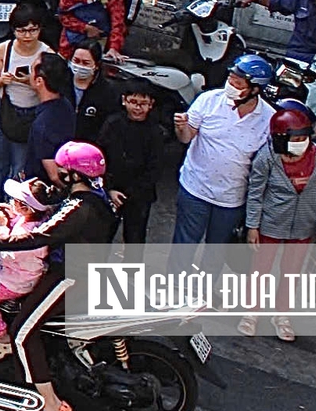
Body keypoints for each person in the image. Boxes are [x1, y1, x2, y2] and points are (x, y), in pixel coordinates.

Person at [0, 140, 115, 411]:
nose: (57, 173)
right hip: (84, 267)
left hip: (71, 276)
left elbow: (37, 236)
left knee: (21, 333)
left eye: (63, 170)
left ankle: (49, 403)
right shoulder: (95, 195)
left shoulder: (79, 208)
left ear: (75, 175)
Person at [170, 54, 276, 270]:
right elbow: (186, 137)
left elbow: (266, 165)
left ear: (255, 89)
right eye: (230, 80)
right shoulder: (209, 100)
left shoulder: (269, 119)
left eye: (238, 83)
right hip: (195, 188)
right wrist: (181, 126)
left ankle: (202, 296)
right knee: (184, 244)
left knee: (216, 252)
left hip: (231, 199)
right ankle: (173, 290)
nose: (231, 85)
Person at [239, 101, 316, 342]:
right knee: (260, 271)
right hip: (271, 223)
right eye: (295, 140)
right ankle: (251, 314)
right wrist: (252, 226)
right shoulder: (266, 158)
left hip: (303, 225)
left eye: (304, 139)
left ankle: (282, 316)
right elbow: (255, 193)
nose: (301, 144)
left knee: (291, 273)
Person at [0, 177, 56, 361]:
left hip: (14, 281)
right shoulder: (37, 221)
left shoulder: (24, 236)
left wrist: (1, 226)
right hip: (20, 274)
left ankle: (1, 337)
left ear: (26, 208)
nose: (11, 203)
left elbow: (4, 251)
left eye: (16, 201)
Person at [0, 4, 49, 202]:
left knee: (20, 168)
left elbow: (52, 90)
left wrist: (32, 82)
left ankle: (15, 210)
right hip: (3, 109)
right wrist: (3, 79)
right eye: (21, 30)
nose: (27, 36)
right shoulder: (4, 49)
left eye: (32, 30)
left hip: (31, 114)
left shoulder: (46, 54)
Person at [98, 84, 171, 243]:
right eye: (133, 101)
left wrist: (130, 194)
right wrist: (109, 188)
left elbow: (155, 168)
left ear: (151, 104)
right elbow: (101, 158)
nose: (138, 108)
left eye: (143, 104)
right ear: (124, 101)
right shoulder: (112, 124)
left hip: (140, 196)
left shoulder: (156, 131)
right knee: (102, 238)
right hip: (111, 191)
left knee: (135, 241)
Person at [21, 53, 77, 183]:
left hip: (40, 189)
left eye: (31, 71)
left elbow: (54, 176)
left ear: (39, 81)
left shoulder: (42, 126)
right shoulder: (66, 104)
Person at [67, 40, 118, 142]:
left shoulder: (107, 90)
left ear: (96, 65)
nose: (80, 66)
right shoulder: (61, 82)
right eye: (76, 61)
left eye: (86, 63)